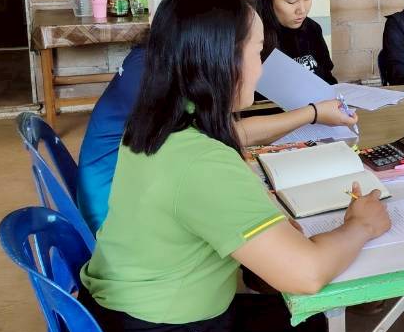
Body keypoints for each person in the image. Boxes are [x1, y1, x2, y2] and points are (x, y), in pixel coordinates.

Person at [74, 0, 390, 332]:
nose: (261, 69)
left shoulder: (159, 123)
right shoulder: (199, 162)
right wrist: (360, 225)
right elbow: (306, 273)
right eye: (257, 52)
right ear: (220, 59)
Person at [76, 44, 357, 234]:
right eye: (254, 51)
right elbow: (227, 136)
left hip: (118, 192)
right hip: (115, 209)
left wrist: (313, 113)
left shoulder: (159, 59)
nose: (259, 70)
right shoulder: (160, 80)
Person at [254, 0, 335, 84]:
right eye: (292, 1)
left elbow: (327, 77)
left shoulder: (312, 29)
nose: (302, 10)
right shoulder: (253, 37)